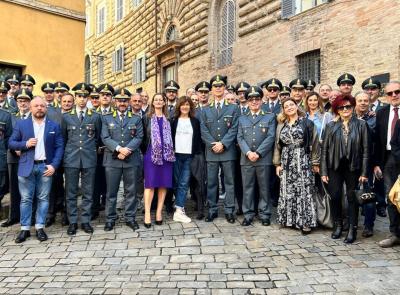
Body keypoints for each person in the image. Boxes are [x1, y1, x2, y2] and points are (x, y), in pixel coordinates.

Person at [9, 96, 64, 243]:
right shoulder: (21, 124)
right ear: (31, 108)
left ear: (46, 108)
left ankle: (40, 227)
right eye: (36, 106)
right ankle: (25, 229)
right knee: (26, 199)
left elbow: (59, 147)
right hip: (27, 165)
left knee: (43, 198)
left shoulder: (54, 126)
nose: (39, 108)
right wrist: (25, 144)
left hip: (45, 167)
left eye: (42, 106)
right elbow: (11, 143)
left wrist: (54, 165)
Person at [320, 94, 369, 243]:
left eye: (348, 106)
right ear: (337, 110)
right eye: (342, 107)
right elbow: (324, 150)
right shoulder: (331, 126)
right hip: (334, 166)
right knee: (335, 196)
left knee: (352, 198)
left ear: (353, 107)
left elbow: (366, 149)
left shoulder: (361, 125)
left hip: (353, 166)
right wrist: (323, 171)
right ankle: (338, 225)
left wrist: (364, 172)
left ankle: (352, 229)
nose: (345, 109)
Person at [273, 97, 319, 235]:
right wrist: (277, 164)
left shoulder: (307, 123)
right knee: (288, 189)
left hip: (303, 159)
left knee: (304, 190)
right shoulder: (281, 125)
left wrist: (315, 162)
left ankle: (305, 222)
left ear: (296, 106)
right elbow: (277, 146)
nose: (289, 107)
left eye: (291, 105)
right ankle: (290, 219)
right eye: (286, 106)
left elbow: (315, 143)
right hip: (286, 160)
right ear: (284, 110)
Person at [101, 88, 144, 231]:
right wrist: (119, 149)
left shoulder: (136, 118)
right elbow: (105, 137)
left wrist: (127, 150)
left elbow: (139, 137)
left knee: (131, 191)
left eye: (125, 101)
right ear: (115, 101)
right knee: (111, 192)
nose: (122, 103)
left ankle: (130, 217)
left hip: (131, 159)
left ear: (129, 102)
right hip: (112, 160)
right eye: (120, 100)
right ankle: (110, 218)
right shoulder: (106, 117)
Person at [62, 83, 101, 235]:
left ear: (88, 98)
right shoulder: (66, 117)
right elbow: (63, 139)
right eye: (79, 96)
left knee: (88, 191)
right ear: (75, 98)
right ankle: (72, 222)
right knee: (70, 192)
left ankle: (85, 221)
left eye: (85, 96)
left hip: (89, 158)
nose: (82, 99)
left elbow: (97, 138)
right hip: (71, 158)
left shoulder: (95, 116)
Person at [200, 75, 239, 223]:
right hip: (211, 152)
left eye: (220, 86)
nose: (218, 88)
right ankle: (212, 209)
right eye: (215, 86)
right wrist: (213, 144)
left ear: (224, 88)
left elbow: (234, 128)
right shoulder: (205, 110)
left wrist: (223, 143)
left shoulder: (233, 108)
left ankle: (229, 210)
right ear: (211, 89)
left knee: (229, 182)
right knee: (211, 182)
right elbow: (203, 130)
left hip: (227, 151)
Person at [237, 86, 276, 226]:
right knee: (247, 187)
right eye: (251, 100)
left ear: (261, 100)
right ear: (247, 102)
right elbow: (240, 137)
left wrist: (258, 153)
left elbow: (271, 137)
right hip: (246, 159)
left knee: (264, 188)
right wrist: (248, 152)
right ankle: (248, 214)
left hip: (263, 159)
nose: (254, 102)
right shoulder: (242, 119)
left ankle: (264, 214)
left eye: (257, 99)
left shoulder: (270, 116)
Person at [142, 93, 175, 227]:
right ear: (152, 102)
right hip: (151, 155)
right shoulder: (146, 118)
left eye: (161, 100)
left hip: (166, 156)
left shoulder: (169, 119)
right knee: (150, 185)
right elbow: (143, 137)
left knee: (163, 184)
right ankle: (147, 213)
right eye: (156, 100)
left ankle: (159, 212)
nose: (158, 102)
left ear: (164, 103)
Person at [375, 81, 400, 248]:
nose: (394, 95)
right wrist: (376, 163)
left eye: (397, 92)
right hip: (389, 159)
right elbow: (378, 139)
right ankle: (395, 233)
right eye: (390, 93)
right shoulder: (382, 112)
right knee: (391, 197)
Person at [2, 89, 31, 227]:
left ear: (29, 102)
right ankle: (13, 216)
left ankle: (29, 216)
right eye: (20, 101)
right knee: (14, 188)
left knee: (29, 188)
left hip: (30, 156)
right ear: (16, 102)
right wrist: (15, 149)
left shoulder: (34, 116)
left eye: (25, 101)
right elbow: (6, 137)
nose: (22, 103)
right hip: (13, 156)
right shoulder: (10, 116)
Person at [171, 96, 202, 223]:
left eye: (187, 104)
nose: (185, 107)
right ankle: (179, 203)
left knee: (184, 183)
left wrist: (197, 154)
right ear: (179, 107)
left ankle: (179, 210)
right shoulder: (173, 121)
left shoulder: (195, 121)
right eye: (183, 105)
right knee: (176, 183)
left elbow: (198, 139)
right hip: (176, 156)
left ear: (191, 107)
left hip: (189, 156)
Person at [0, 85, 12, 211]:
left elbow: (8, 136)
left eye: (4, 92)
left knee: (2, 184)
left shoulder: (6, 115)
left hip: (1, 153)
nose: (1, 94)